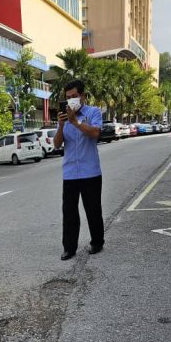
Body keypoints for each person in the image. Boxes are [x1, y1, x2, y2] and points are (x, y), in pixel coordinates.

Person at [53, 79, 104, 261]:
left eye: (74, 96)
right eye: (68, 97)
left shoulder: (93, 112)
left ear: (82, 96)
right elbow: (57, 144)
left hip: (90, 172)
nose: (71, 100)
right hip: (70, 173)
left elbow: (95, 133)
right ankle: (69, 248)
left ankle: (97, 242)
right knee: (69, 212)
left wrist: (75, 122)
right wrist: (61, 125)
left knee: (93, 210)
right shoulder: (63, 117)